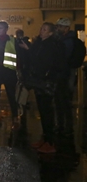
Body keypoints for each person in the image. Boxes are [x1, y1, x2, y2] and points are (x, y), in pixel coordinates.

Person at [19, 22, 66, 154]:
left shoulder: (51, 45)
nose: (42, 31)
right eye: (41, 28)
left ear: (50, 33)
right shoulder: (39, 43)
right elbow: (33, 59)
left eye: (45, 30)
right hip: (38, 81)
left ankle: (50, 142)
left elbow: (44, 61)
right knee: (42, 109)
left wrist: (28, 49)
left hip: (46, 82)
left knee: (47, 111)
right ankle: (44, 139)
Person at [54, 17, 77, 150]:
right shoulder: (64, 40)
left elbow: (63, 58)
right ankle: (62, 125)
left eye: (60, 27)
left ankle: (66, 127)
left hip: (65, 74)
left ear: (66, 28)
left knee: (64, 101)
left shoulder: (67, 41)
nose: (58, 29)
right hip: (63, 74)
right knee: (60, 100)